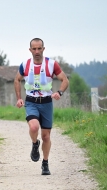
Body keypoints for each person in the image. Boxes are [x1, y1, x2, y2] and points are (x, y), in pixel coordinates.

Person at [14, 38, 69, 175]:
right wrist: (19, 98)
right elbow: (17, 79)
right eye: (34, 49)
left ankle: (45, 163)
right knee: (33, 127)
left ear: (43, 49)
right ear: (30, 50)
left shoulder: (51, 64)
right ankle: (34, 144)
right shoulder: (25, 65)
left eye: (39, 48)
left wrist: (59, 92)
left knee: (46, 136)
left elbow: (64, 80)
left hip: (46, 103)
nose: (37, 51)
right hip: (31, 102)